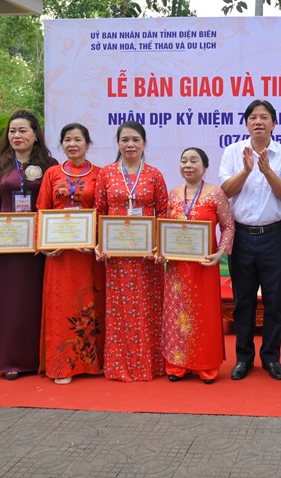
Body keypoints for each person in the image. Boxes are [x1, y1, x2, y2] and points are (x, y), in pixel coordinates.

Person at [219, 100, 281, 381]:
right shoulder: (233, 152)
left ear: (274, 123)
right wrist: (246, 170)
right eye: (253, 117)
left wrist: (266, 171)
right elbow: (225, 192)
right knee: (244, 301)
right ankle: (244, 358)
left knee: (275, 301)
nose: (258, 122)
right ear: (246, 123)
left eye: (264, 117)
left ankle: (271, 358)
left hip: (274, 236)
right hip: (241, 236)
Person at [0, 109, 57, 380]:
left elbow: (52, 204)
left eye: (23, 130)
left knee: (34, 300)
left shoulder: (50, 164)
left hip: (37, 245)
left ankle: (37, 358)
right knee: (9, 302)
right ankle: (8, 360)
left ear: (36, 134)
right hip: (6, 245)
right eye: (13, 130)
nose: (17, 135)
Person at [95, 120, 168, 382]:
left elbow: (163, 213)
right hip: (117, 256)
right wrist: (100, 244)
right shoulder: (106, 174)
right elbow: (100, 212)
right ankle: (120, 365)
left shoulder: (154, 174)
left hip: (148, 257)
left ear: (144, 144)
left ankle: (150, 364)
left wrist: (160, 245)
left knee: (148, 307)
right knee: (120, 311)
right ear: (118, 143)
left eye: (135, 140)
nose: (130, 144)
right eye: (125, 140)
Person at [36, 123, 105, 385]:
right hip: (59, 254)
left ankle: (91, 362)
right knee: (62, 305)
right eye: (67, 140)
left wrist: (94, 240)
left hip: (86, 254)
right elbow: (41, 209)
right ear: (61, 145)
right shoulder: (52, 173)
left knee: (89, 305)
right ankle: (62, 365)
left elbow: (103, 211)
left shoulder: (100, 174)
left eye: (78, 139)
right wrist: (43, 245)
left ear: (88, 144)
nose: (72, 144)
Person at [161, 147, 234, 384]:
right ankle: (177, 364)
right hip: (176, 267)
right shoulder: (173, 194)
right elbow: (164, 227)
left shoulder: (215, 194)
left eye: (194, 161)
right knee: (177, 315)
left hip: (204, 265)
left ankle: (206, 366)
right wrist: (162, 250)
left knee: (204, 314)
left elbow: (228, 226)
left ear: (204, 166)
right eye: (184, 161)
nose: (188, 165)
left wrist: (220, 252)